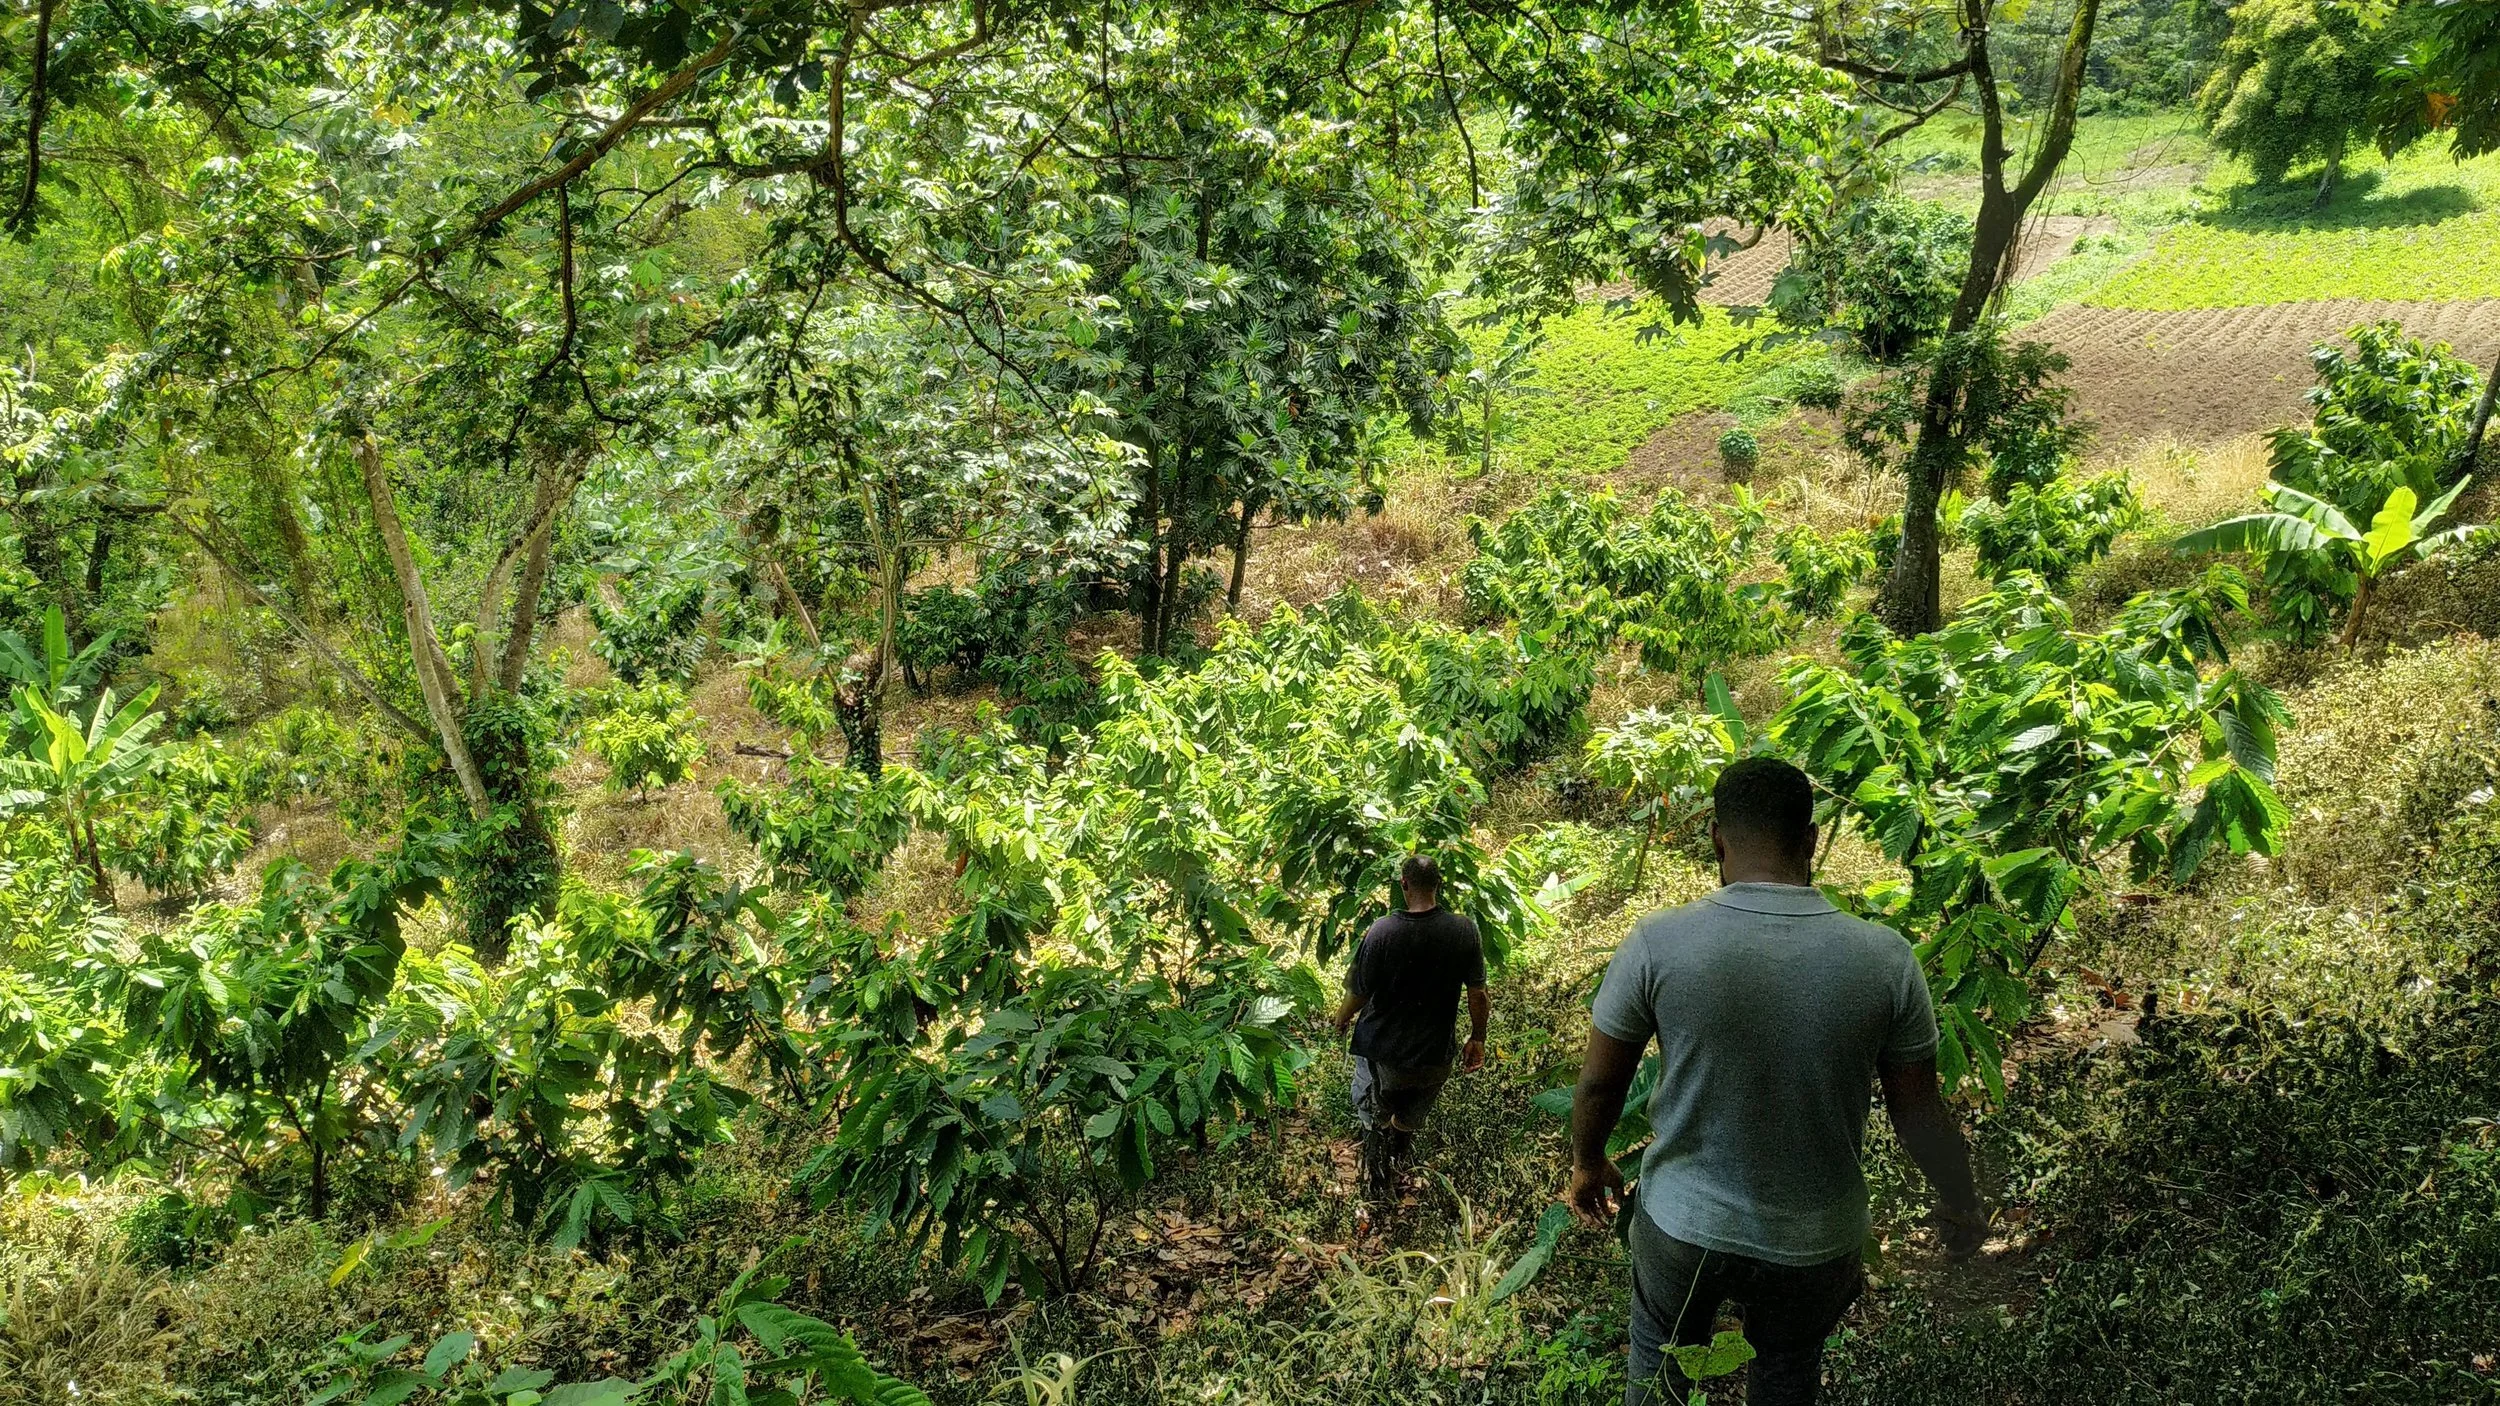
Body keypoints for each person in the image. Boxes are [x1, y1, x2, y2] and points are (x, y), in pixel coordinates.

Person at [1565, 756, 1986, 1406]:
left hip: (1685, 1225)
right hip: (1815, 1241)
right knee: (1787, 1378)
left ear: (1715, 837)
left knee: (1658, 1381)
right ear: (1811, 841)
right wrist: (1960, 1198)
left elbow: (1597, 1085)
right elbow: (1919, 1110)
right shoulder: (1885, 957)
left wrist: (1589, 1164)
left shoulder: (1658, 942)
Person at [1332, 854, 1490, 1205]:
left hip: (1384, 1054)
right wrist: (1477, 1038)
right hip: (1435, 1056)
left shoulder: (1382, 931)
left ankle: (1378, 1187)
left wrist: (1342, 1019)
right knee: (1409, 1116)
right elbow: (1477, 992)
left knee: (1374, 1117)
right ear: (1438, 885)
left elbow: (1359, 992)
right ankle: (1399, 1161)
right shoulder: (1464, 930)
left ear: (1403, 884)